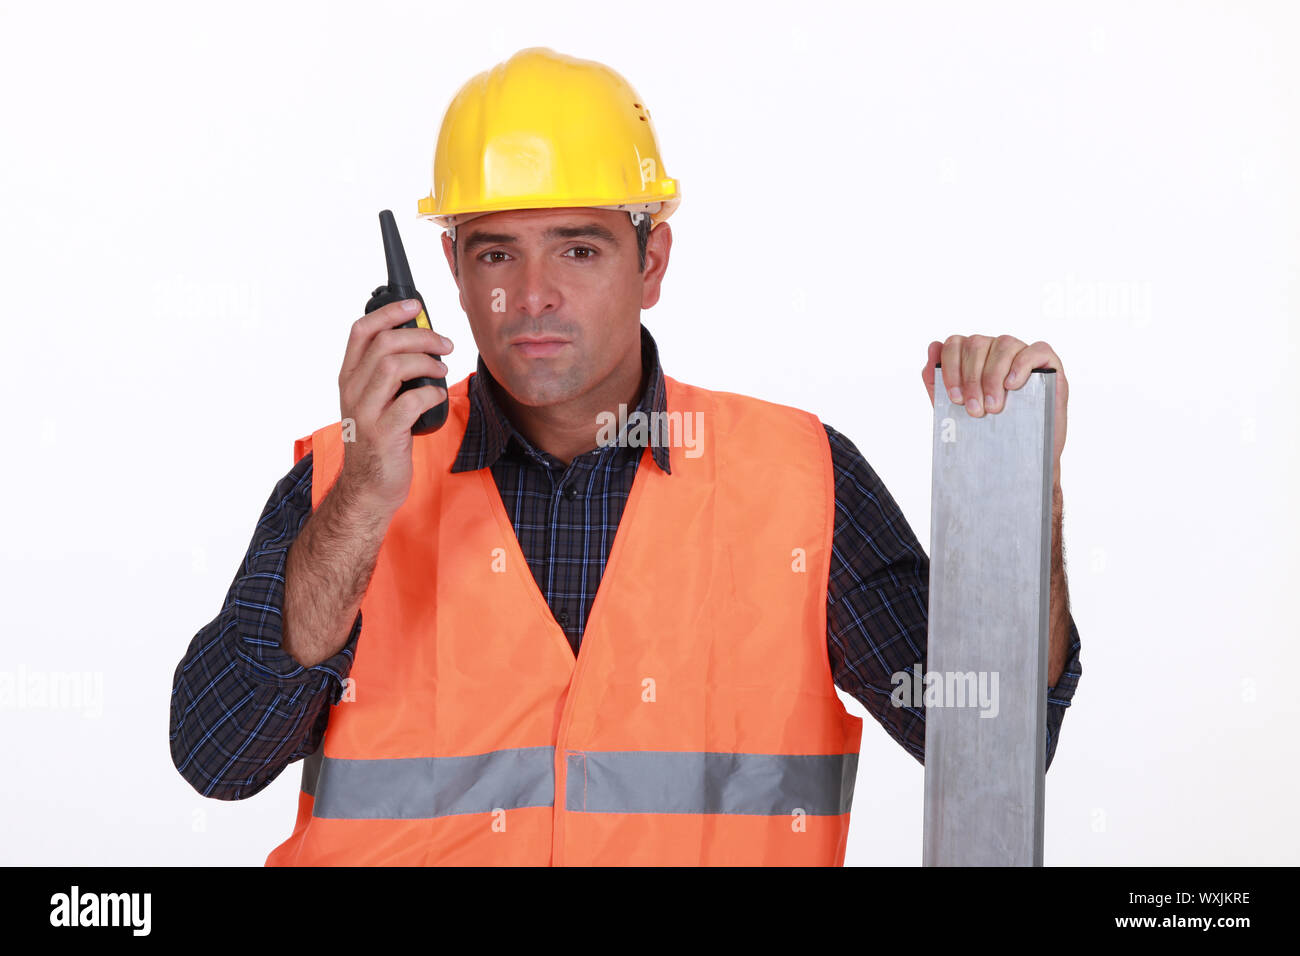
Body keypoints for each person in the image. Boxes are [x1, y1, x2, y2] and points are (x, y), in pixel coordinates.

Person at [169, 47, 1082, 866]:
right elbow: (218, 756)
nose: (532, 296)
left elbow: (996, 731)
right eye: (496, 254)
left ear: (651, 264)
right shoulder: (351, 476)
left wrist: (1023, 482)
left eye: (578, 247)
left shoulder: (797, 481)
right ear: (450, 271)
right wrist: (365, 503)